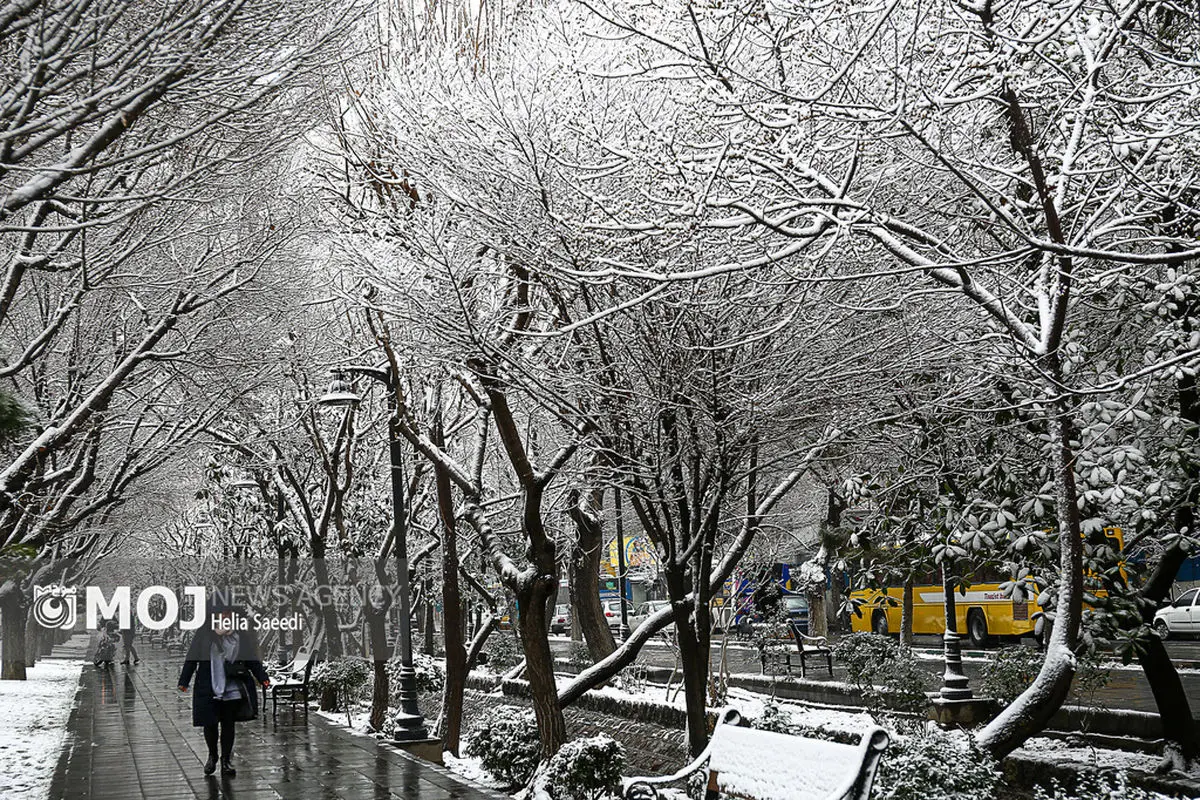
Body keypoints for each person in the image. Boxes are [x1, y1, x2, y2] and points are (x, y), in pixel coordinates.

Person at [177, 604, 270, 777]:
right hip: (209, 685)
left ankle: (226, 760)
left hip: (232, 686)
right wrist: (184, 681)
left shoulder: (239, 634)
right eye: (222, 613)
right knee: (210, 724)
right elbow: (192, 657)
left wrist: (262, 677)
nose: (225, 616)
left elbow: (251, 658)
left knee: (228, 724)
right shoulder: (204, 633)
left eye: (228, 613)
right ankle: (212, 756)